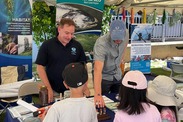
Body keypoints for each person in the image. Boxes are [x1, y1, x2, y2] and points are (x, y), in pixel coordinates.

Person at [35, 18, 88, 103]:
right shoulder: (47, 45)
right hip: (53, 91)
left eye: (72, 34)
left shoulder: (77, 46)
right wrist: (48, 88)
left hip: (74, 92)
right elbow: (40, 67)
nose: (69, 37)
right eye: (67, 33)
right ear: (59, 29)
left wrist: (85, 86)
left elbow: (83, 67)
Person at [93, 19, 129, 107]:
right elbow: (97, 70)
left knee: (120, 101)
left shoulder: (126, 33)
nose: (117, 41)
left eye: (120, 38)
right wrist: (97, 95)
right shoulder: (101, 44)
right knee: (102, 103)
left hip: (117, 74)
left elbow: (125, 44)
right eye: (115, 38)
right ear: (110, 33)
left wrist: (121, 58)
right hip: (103, 77)